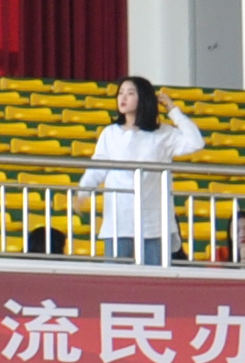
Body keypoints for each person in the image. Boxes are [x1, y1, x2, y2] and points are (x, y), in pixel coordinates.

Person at [83, 75, 204, 265]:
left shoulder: (163, 133)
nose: (123, 97)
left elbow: (196, 142)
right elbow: (97, 167)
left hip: (153, 223)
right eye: (121, 93)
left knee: (153, 279)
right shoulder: (110, 133)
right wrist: (83, 190)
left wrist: (173, 111)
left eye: (130, 93)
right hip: (119, 221)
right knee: (115, 278)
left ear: (144, 98)